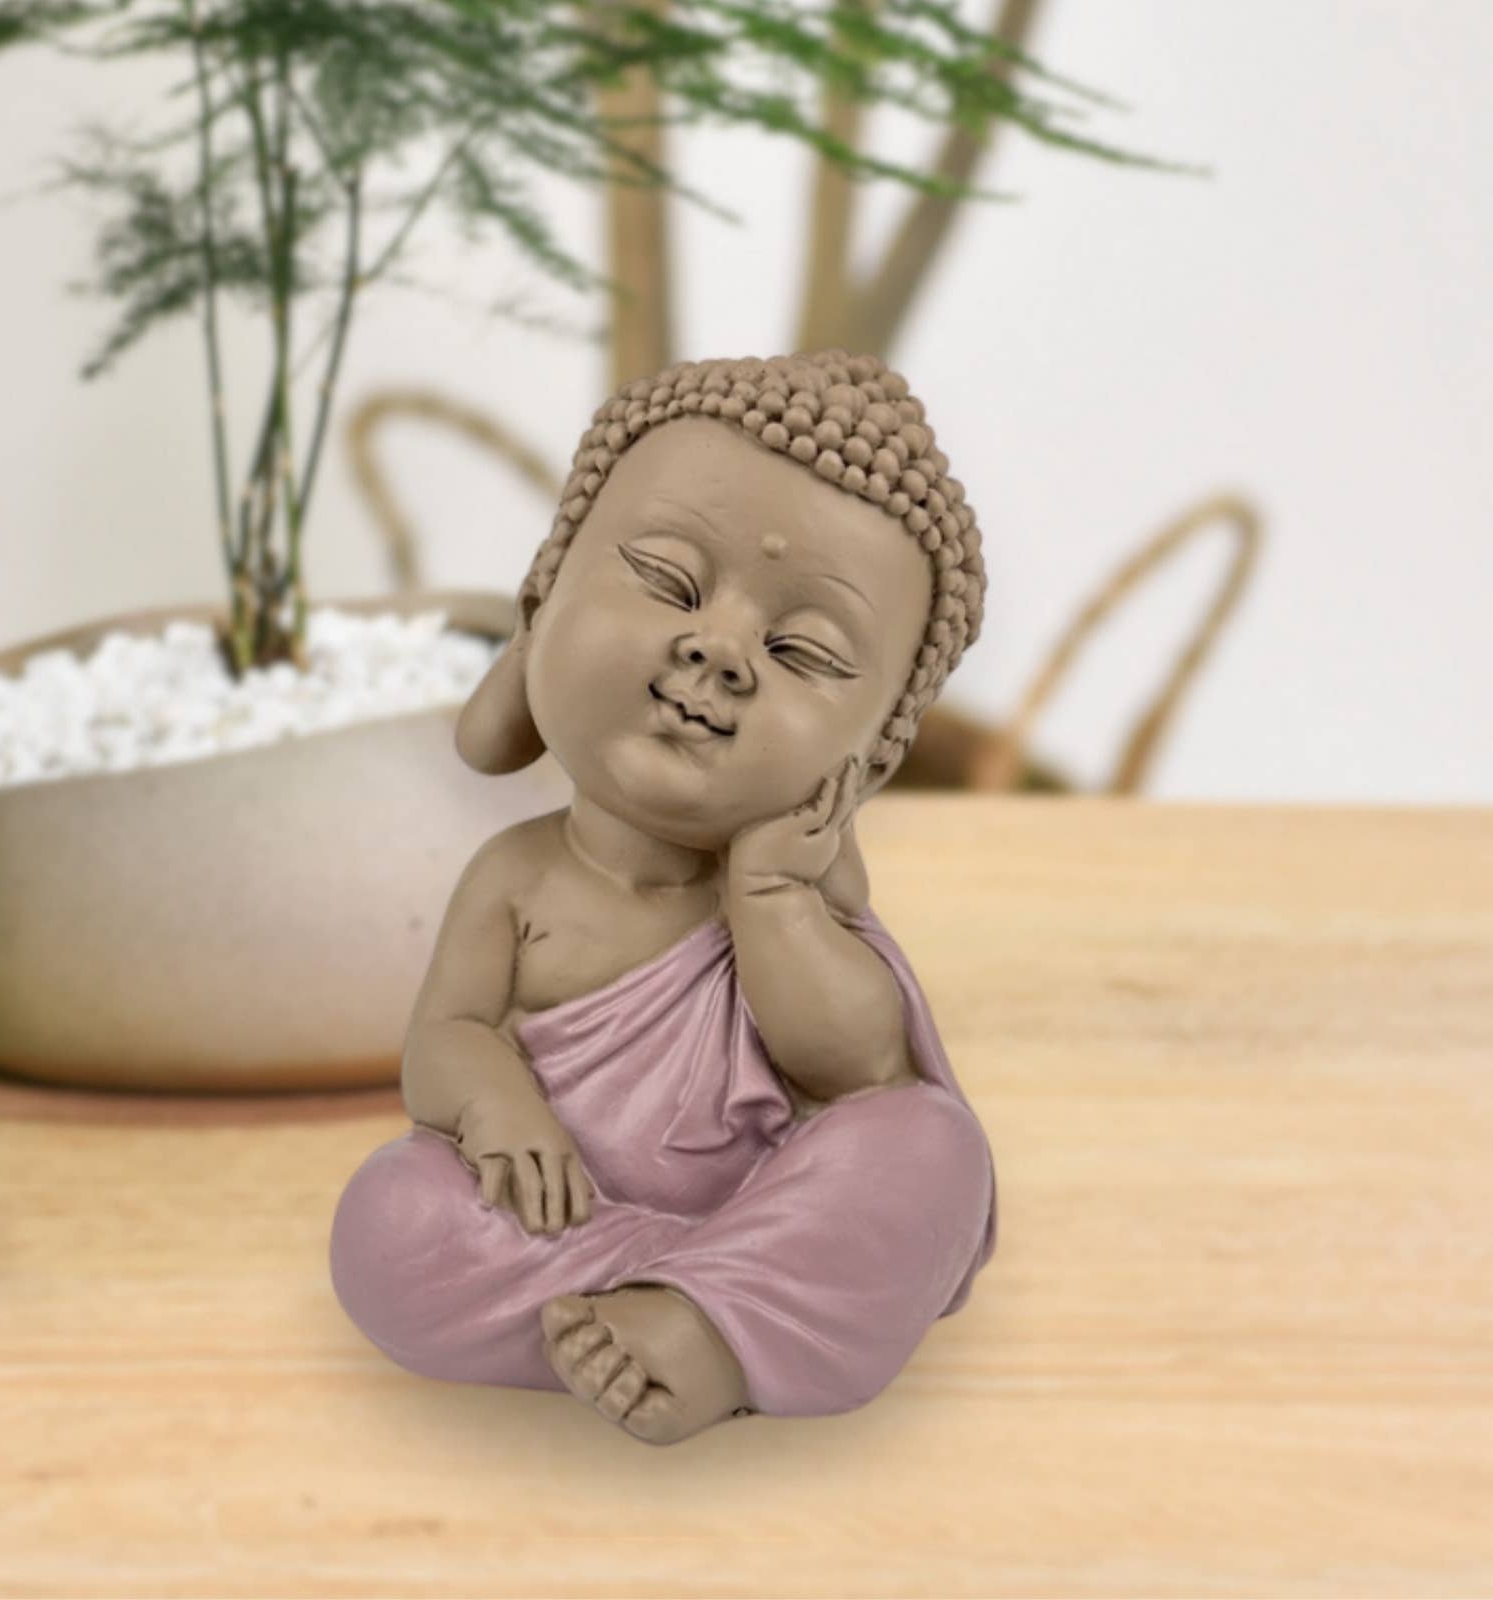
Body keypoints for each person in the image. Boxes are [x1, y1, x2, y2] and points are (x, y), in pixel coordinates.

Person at [329, 349, 999, 1446]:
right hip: (566, 1218)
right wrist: (496, 1106)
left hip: (766, 1197)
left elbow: (855, 1073)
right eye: (668, 580)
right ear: (541, 603)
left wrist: (772, 894)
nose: (719, 651)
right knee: (391, 1218)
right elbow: (445, 1037)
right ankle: (714, 1304)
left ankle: (703, 1325)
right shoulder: (515, 876)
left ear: (870, 760)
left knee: (930, 1150)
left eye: (802, 650)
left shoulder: (795, 898)